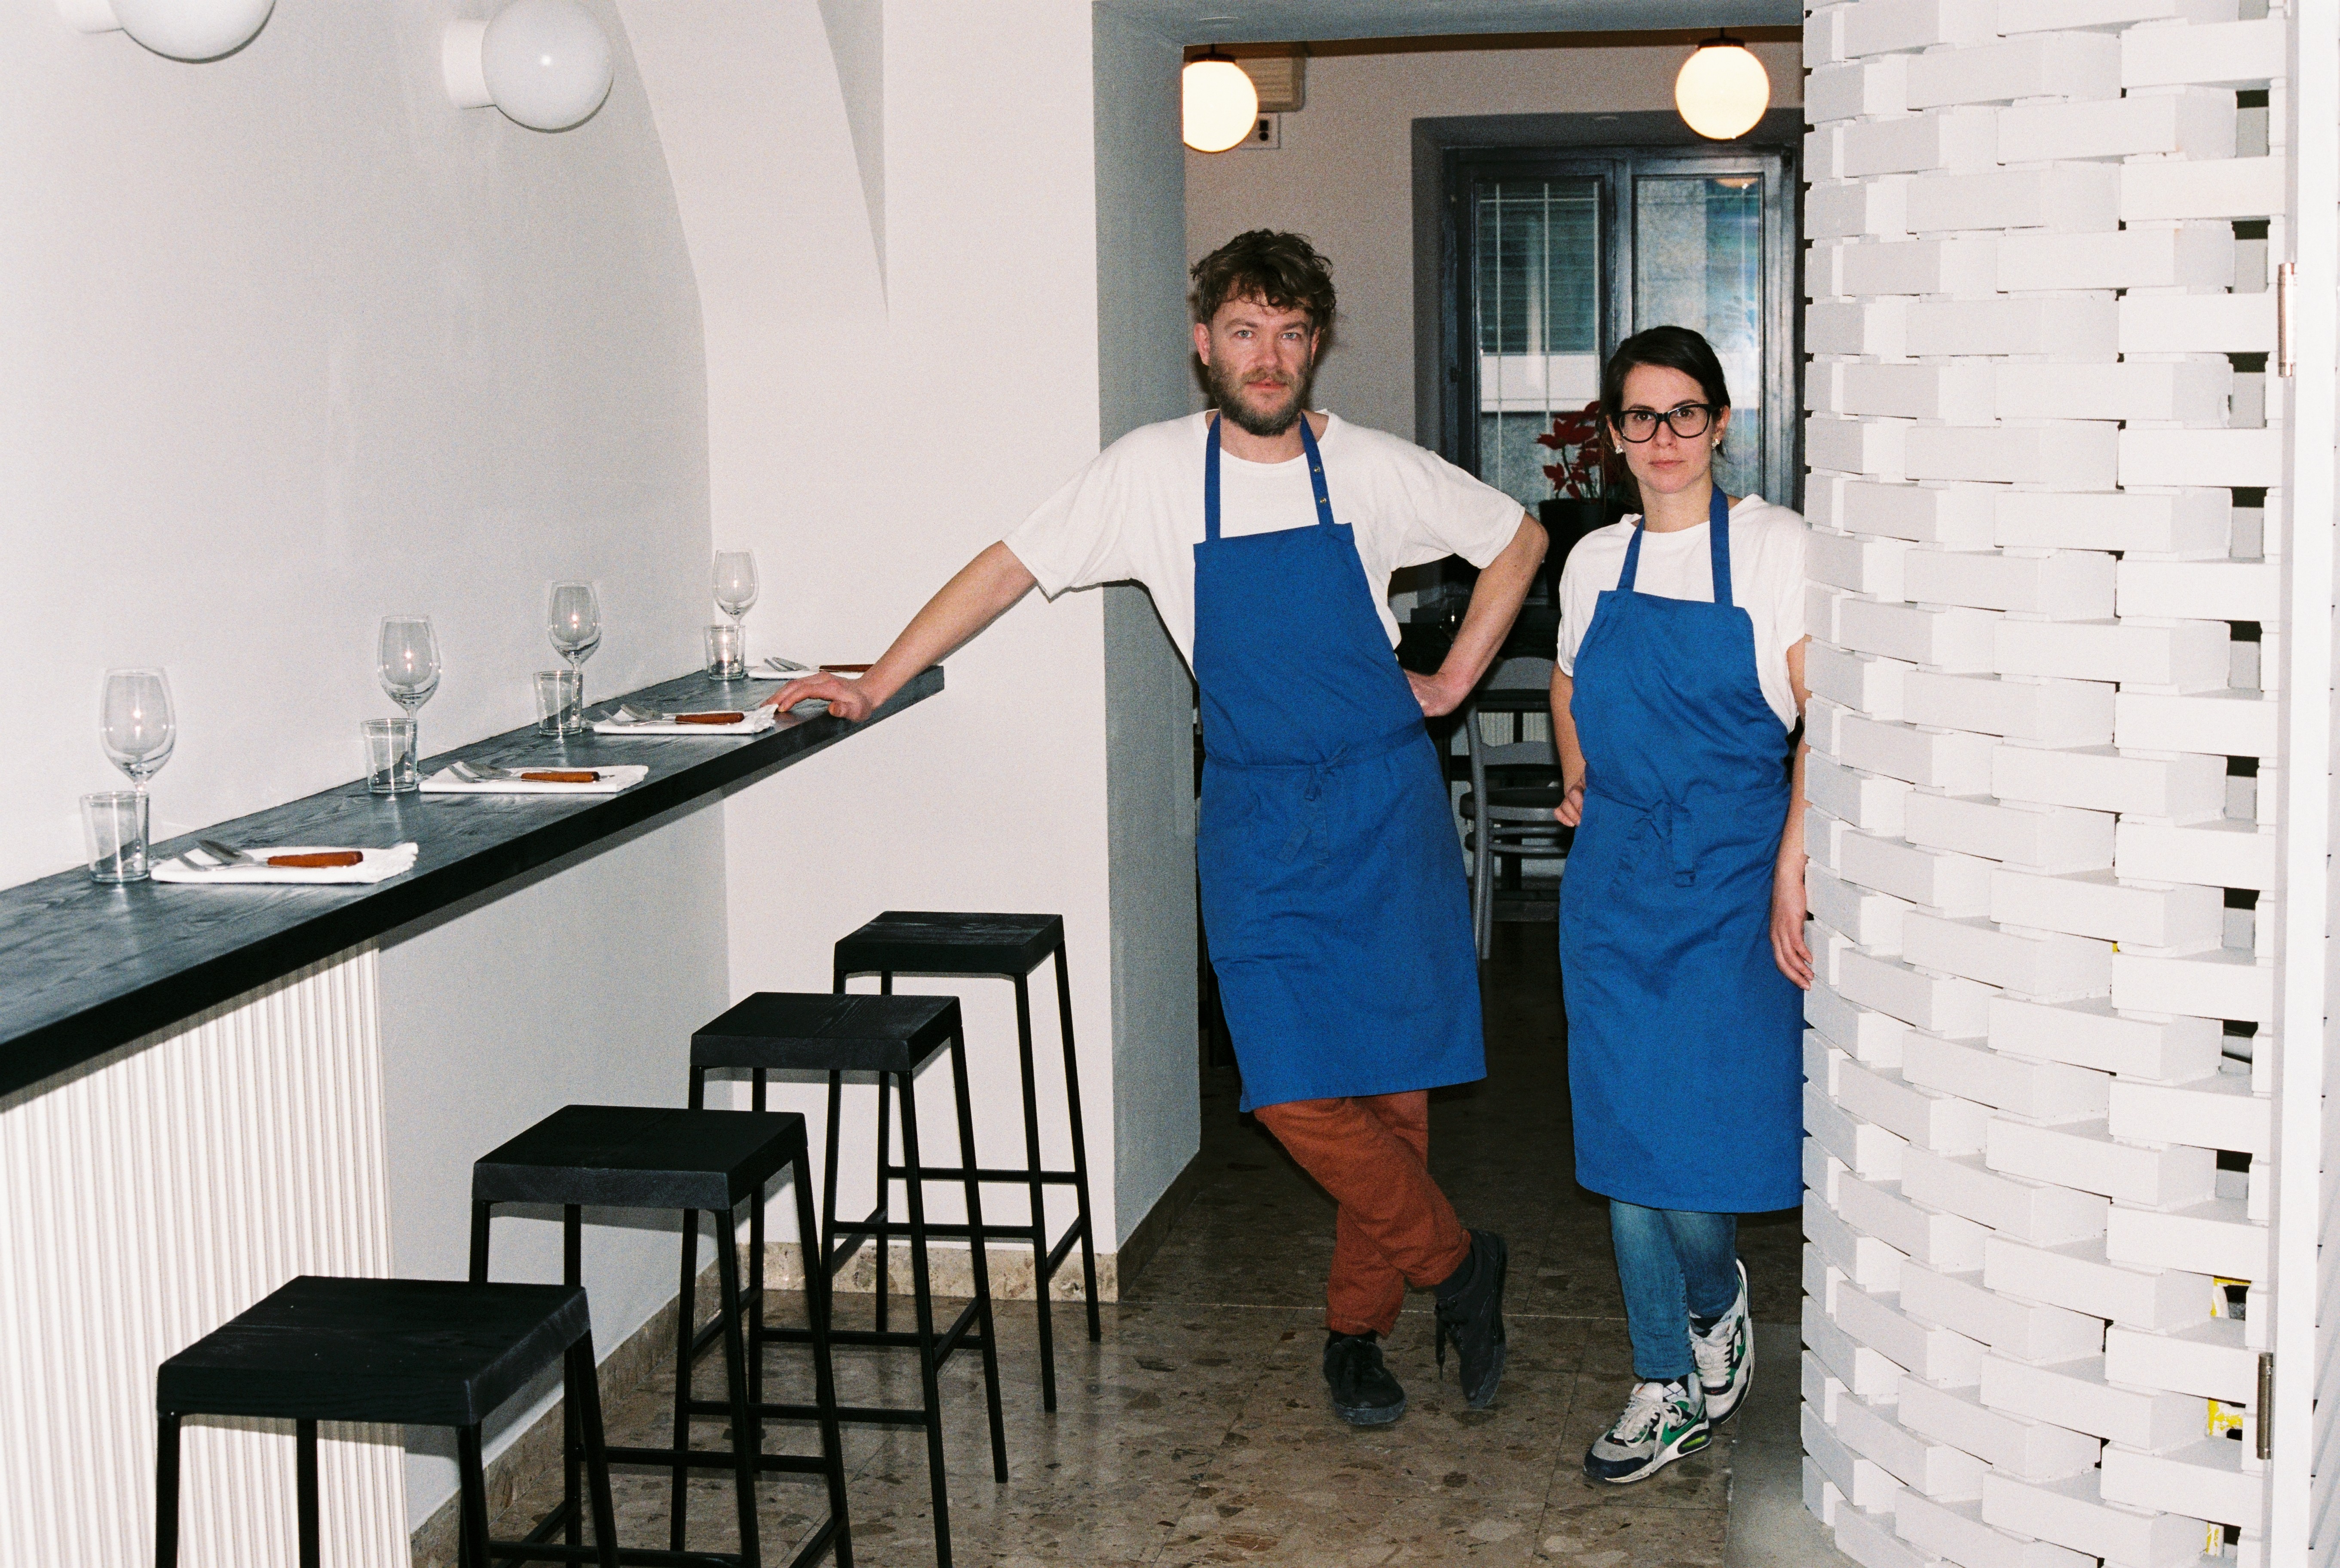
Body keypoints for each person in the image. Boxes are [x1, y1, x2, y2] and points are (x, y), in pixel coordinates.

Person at [767, 230, 1547, 1426]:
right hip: (1257, 815)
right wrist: (877, 678)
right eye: (1245, 331)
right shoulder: (1149, 474)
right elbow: (1007, 568)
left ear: (1315, 346)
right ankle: (1457, 1263)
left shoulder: (1372, 469)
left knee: (1394, 1100)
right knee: (1290, 1088)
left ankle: (1356, 1333)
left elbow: (1518, 538)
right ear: (1203, 344)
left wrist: (1449, 682)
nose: (1269, 356)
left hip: (1385, 802)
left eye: (1291, 334)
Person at [1550, 325, 1810, 1484]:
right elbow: (1568, 680)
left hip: (1730, 879)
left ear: (1720, 422)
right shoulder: (1591, 562)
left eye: (1685, 413)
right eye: (1640, 417)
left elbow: (1823, 717)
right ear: (1614, 434)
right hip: (1614, 882)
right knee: (1622, 1143)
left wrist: (1794, 863)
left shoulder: (1773, 548)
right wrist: (1577, 773)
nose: (1664, 437)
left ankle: (1715, 1299)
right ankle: (1663, 1378)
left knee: (1697, 1149)